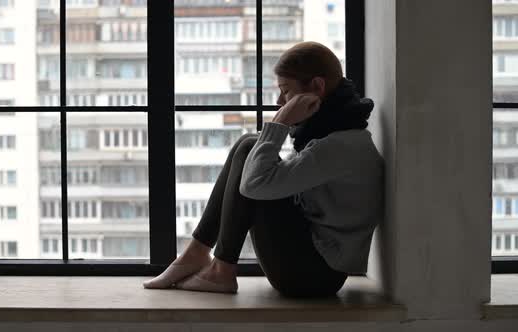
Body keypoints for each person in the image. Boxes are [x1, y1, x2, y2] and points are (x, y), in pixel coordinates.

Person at [142, 41, 384, 297]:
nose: (280, 101)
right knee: (249, 144)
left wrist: (279, 122)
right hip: (314, 263)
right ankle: (196, 254)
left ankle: (220, 271)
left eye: (286, 91)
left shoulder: (339, 145)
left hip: (313, 276)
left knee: (251, 151)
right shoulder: (335, 134)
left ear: (317, 87)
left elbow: (254, 184)